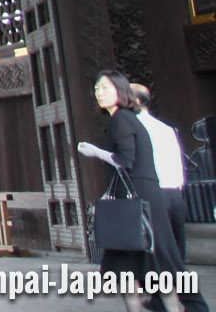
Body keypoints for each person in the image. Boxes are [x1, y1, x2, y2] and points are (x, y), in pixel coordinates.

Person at [78, 70, 187, 312]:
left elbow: (125, 160)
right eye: (97, 88)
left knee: (142, 264)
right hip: (144, 194)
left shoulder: (121, 119)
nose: (99, 92)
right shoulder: (127, 118)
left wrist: (95, 152)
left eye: (105, 87)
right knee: (141, 264)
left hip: (139, 198)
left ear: (121, 91)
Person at [132, 84, 211, 312]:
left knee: (165, 257)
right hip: (175, 195)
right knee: (168, 254)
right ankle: (161, 300)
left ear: (136, 102)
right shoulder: (166, 128)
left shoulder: (136, 129)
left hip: (157, 196)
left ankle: (194, 304)